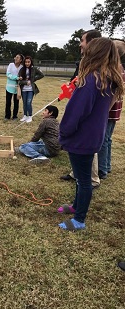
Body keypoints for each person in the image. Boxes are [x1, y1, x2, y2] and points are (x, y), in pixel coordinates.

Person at [58, 37, 124, 231]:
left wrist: (65, 131)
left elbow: (77, 112)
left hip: (81, 137)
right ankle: (76, 206)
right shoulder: (107, 80)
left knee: (84, 180)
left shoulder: (91, 80)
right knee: (80, 176)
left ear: (93, 53)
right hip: (92, 136)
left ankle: (79, 219)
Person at [60, 29, 102, 189]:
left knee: (87, 143)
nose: (80, 44)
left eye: (82, 40)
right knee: (79, 140)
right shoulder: (86, 61)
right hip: (80, 104)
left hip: (88, 111)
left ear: (91, 42)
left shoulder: (97, 65)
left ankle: (92, 179)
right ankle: (76, 173)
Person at [98, 40, 125, 179]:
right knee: (107, 139)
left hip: (109, 109)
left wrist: (105, 109)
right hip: (114, 110)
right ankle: (106, 166)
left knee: (103, 139)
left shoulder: (115, 68)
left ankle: (102, 169)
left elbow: (114, 94)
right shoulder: (119, 67)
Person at [18, 56, 44, 123]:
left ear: (31, 62)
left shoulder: (34, 69)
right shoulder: (22, 70)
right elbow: (19, 81)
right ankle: (25, 115)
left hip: (31, 89)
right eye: (26, 62)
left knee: (29, 103)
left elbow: (42, 75)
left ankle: (30, 116)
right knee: (24, 103)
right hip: (23, 89)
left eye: (28, 62)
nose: (27, 63)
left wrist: (33, 80)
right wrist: (25, 82)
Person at [4, 53, 24, 121]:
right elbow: (8, 74)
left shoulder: (21, 67)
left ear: (21, 60)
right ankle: (7, 116)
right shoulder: (11, 65)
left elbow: (22, 76)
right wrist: (16, 78)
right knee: (8, 102)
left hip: (17, 88)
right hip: (9, 87)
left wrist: (20, 78)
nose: (16, 58)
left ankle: (15, 116)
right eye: (15, 57)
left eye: (18, 57)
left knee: (16, 102)